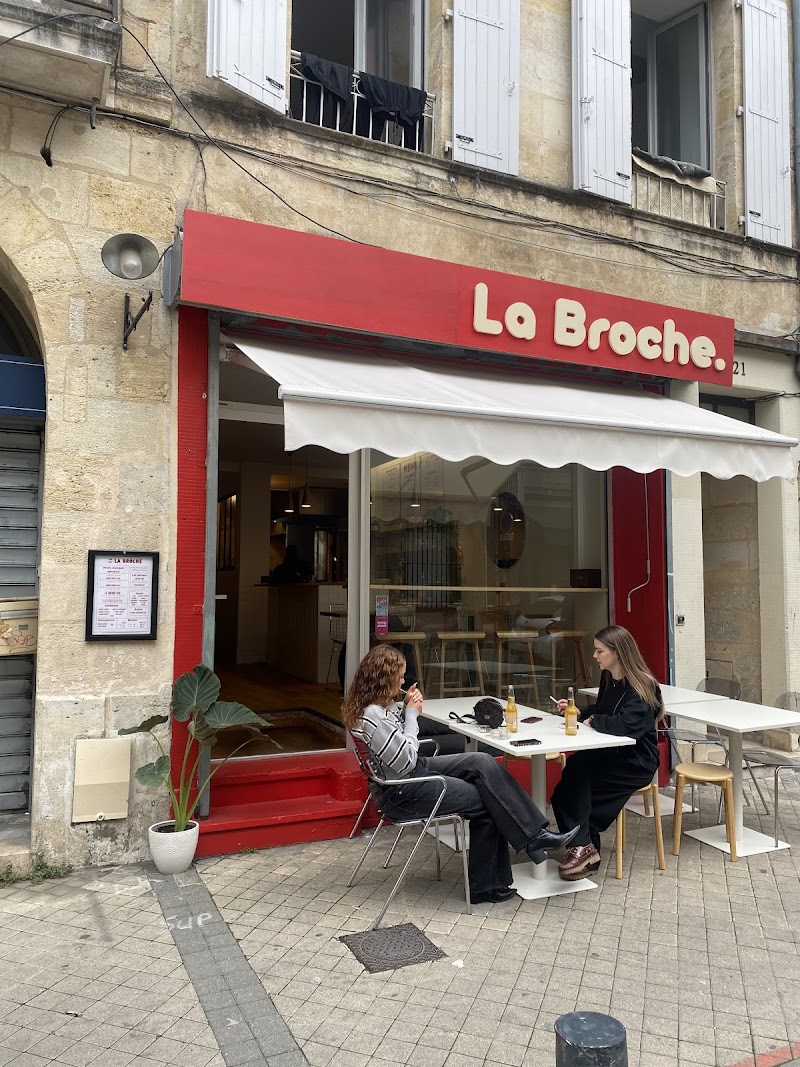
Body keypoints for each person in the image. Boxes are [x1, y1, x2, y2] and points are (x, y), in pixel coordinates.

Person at [342, 645, 579, 904]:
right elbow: (404, 759)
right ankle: (487, 884)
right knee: (489, 799)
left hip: (410, 776)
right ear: (384, 678)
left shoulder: (377, 706)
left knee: (481, 761)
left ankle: (534, 837)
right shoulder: (373, 715)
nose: (403, 681)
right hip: (405, 790)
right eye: (399, 676)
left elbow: (397, 748)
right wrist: (411, 715)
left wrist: (404, 708)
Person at [549, 624, 663, 881]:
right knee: (571, 778)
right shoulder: (609, 679)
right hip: (610, 752)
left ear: (617, 652)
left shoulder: (643, 686)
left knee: (577, 787)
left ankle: (584, 847)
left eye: (600, 651)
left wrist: (594, 722)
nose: (595, 656)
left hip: (636, 761)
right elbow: (603, 711)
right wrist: (579, 713)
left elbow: (627, 726)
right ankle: (585, 847)